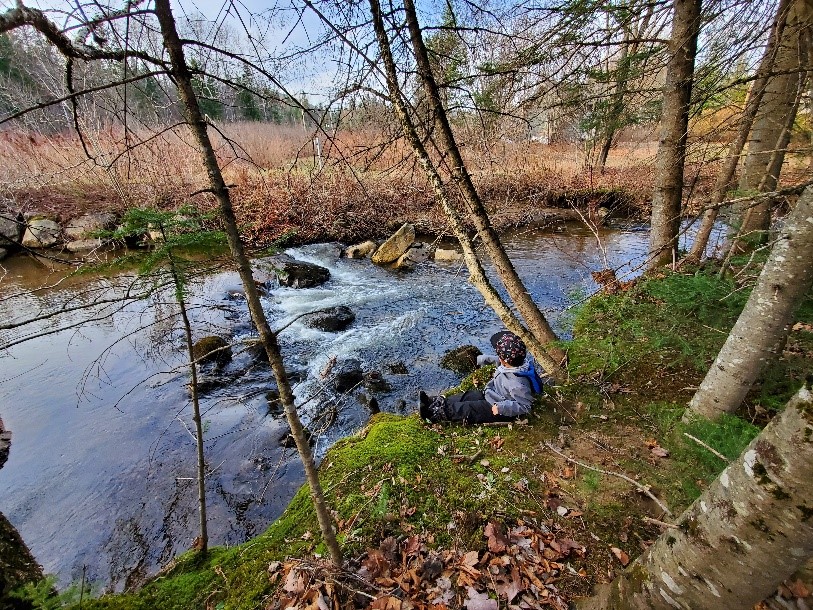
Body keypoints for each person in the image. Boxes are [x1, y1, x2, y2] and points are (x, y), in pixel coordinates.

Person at [419, 331, 541, 424]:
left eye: (499, 356)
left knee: (467, 409)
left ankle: (433, 414)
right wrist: (484, 359)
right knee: (467, 396)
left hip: (499, 408)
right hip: (492, 394)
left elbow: (525, 406)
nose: (498, 358)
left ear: (504, 360)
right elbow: (500, 363)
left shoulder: (517, 384)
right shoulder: (515, 364)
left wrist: (501, 408)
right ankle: (436, 402)